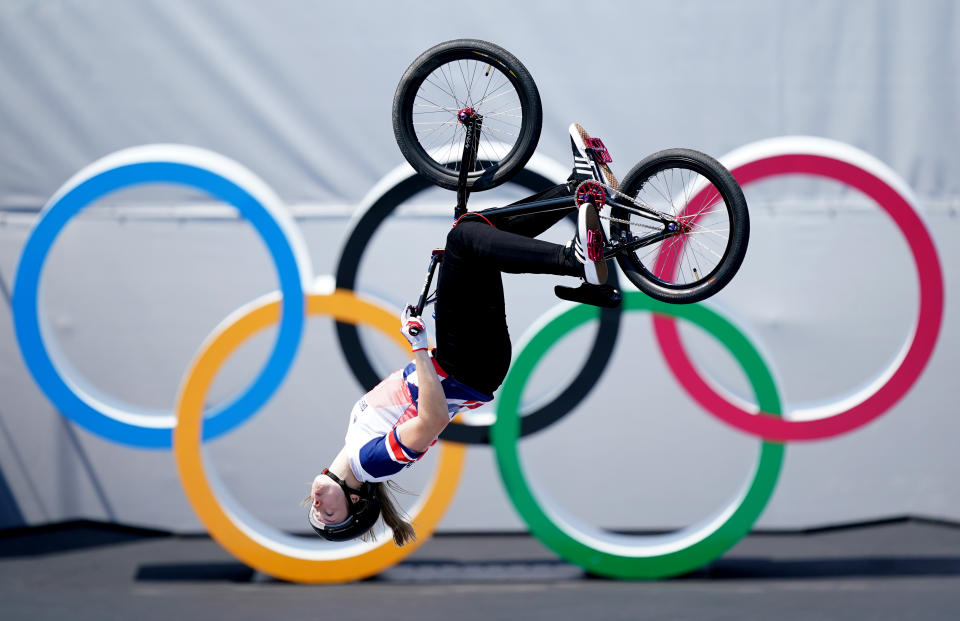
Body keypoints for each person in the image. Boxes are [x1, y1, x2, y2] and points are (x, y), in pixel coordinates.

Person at [308, 130, 620, 546]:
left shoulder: (357, 449)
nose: (318, 505)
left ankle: (579, 190)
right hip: (465, 364)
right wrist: (418, 347)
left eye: (316, 512)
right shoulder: (371, 465)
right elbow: (432, 419)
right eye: (330, 513)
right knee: (463, 240)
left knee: (477, 230)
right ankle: (574, 259)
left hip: (467, 361)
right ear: (356, 501)